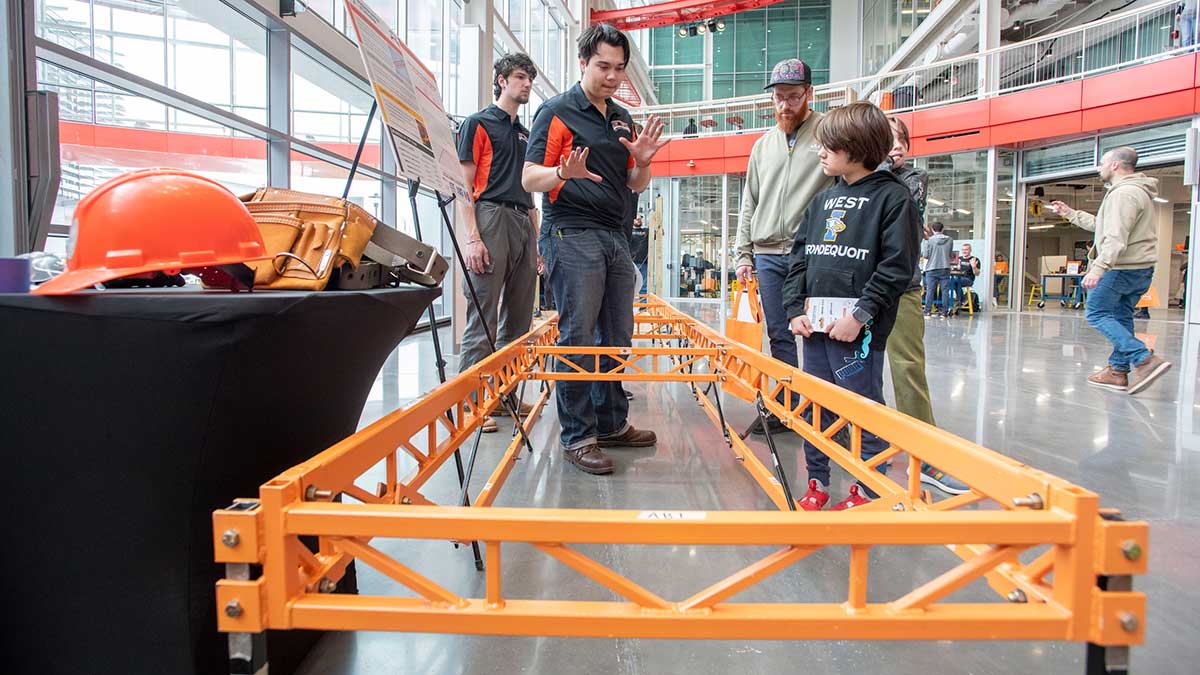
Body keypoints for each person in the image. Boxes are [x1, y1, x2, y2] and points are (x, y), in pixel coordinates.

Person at [523, 24, 669, 475]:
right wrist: (561, 173)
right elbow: (529, 178)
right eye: (603, 66)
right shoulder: (556, 112)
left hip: (616, 235)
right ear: (583, 62)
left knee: (617, 335)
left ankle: (610, 423)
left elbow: (634, 184)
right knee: (578, 337)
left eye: (619, 69)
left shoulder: (622, 117)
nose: (612, 76)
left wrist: (642, 163)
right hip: (570, 231)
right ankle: (578, 436)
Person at [783, 101, 918, 510]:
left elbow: (897, 266)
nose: (821, 153)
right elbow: (800, 257)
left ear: (856, 148)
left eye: (829, 146)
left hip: (857, 333)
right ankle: (817, 482)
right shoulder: (822, 200)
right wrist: (794, 309)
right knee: (815, 409)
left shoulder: (893, 198)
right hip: (817, 329)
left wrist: (860, 316)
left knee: (862, 410)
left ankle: (868, 491)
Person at [734, 58, 834, 434]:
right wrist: (743, 253)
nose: (784, 105)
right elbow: (750, 202)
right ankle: (787, 407)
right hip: (767, 255)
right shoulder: (762, 146)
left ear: (809, 93)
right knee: (779, 334)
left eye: (793, 97)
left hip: (811, 253)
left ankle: (823, 412)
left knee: (818, 333)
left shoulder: (828, 132)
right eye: (778, 97)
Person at [881, 117, 968, 495]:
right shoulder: (849, 180)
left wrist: (882, 167)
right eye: (887, 140)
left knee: (907, 368)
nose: (896, 146)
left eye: (900, 140)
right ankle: (868, 445)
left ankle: (926, 456)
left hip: (901, 287)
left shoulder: (913, 179)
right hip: (856, 290)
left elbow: (904, 214)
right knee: (856, 373)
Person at [457, 52, 539, 433]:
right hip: (490, 216)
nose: (527, 84)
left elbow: (531, 190)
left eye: (530, 79)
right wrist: (473, 238)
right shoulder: (478, 123)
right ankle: (470, 404)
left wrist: (536, 240)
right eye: (520, 76)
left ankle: (504, 396)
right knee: (483, 315)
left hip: (523, 220)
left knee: (518, 320)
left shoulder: (526, 134)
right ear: (502, 80)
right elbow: (463, 185)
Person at [1049, 146, 1172, 395]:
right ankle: (1117, 371)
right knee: (1121, 316)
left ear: (1115, 165)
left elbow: (1115, 239)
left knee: (1096, 313)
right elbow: (1104, 226)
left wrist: (1098, 269)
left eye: (1103, 162)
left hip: (1120, 268)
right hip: (1139, 269)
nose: (1100, 167)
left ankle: (1144, 359)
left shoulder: (1123, 194)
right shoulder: (1135, 191)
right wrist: (1070, 214)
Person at [921, 222, 953, 317]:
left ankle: (927, 311)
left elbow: (925, 255)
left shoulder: (929, 240)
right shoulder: (950, 240)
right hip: (945, 267)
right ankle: (944, 312)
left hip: (931, 268)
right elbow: (950, 254)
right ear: (943, 229)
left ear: (932, 230)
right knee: (945, 291)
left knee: (930, 290)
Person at [952, 242, 981, 313]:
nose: (964, 251)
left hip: (968, 280)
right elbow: (952, 269)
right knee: (947, 282)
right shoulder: (958, 259)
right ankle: (959, 301)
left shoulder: (974, 259)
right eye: (963, 250)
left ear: (970, 250)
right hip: (956, 278)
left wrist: (974, 267)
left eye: (966, 250)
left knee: (956, 281)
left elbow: (977, 274)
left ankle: (959, 301)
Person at [630, 213, 649, 295]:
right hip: (631, 262)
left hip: (644, 262)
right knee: (629, 283)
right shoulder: (629, 231)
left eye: (640, 219)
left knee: (644, 285)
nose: (638, 220)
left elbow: (659, 233)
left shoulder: (646, 231)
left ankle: (643, 303)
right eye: (636, 219)